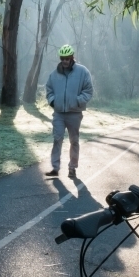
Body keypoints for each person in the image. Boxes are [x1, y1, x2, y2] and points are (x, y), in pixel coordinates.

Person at [44, 44, 93, 178]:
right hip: (59, 113)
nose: (65, 61)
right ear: (60, 58)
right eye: (62, 58)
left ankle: (72, 168)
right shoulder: (54, 74)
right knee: (57, 139)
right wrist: (53, 101)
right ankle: (55, 168)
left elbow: (88, 91)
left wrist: (78, 101)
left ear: (72, 58)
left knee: (74, 141)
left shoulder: (82, 72)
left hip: (74, 113)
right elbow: (48, 90)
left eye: (67, 58)